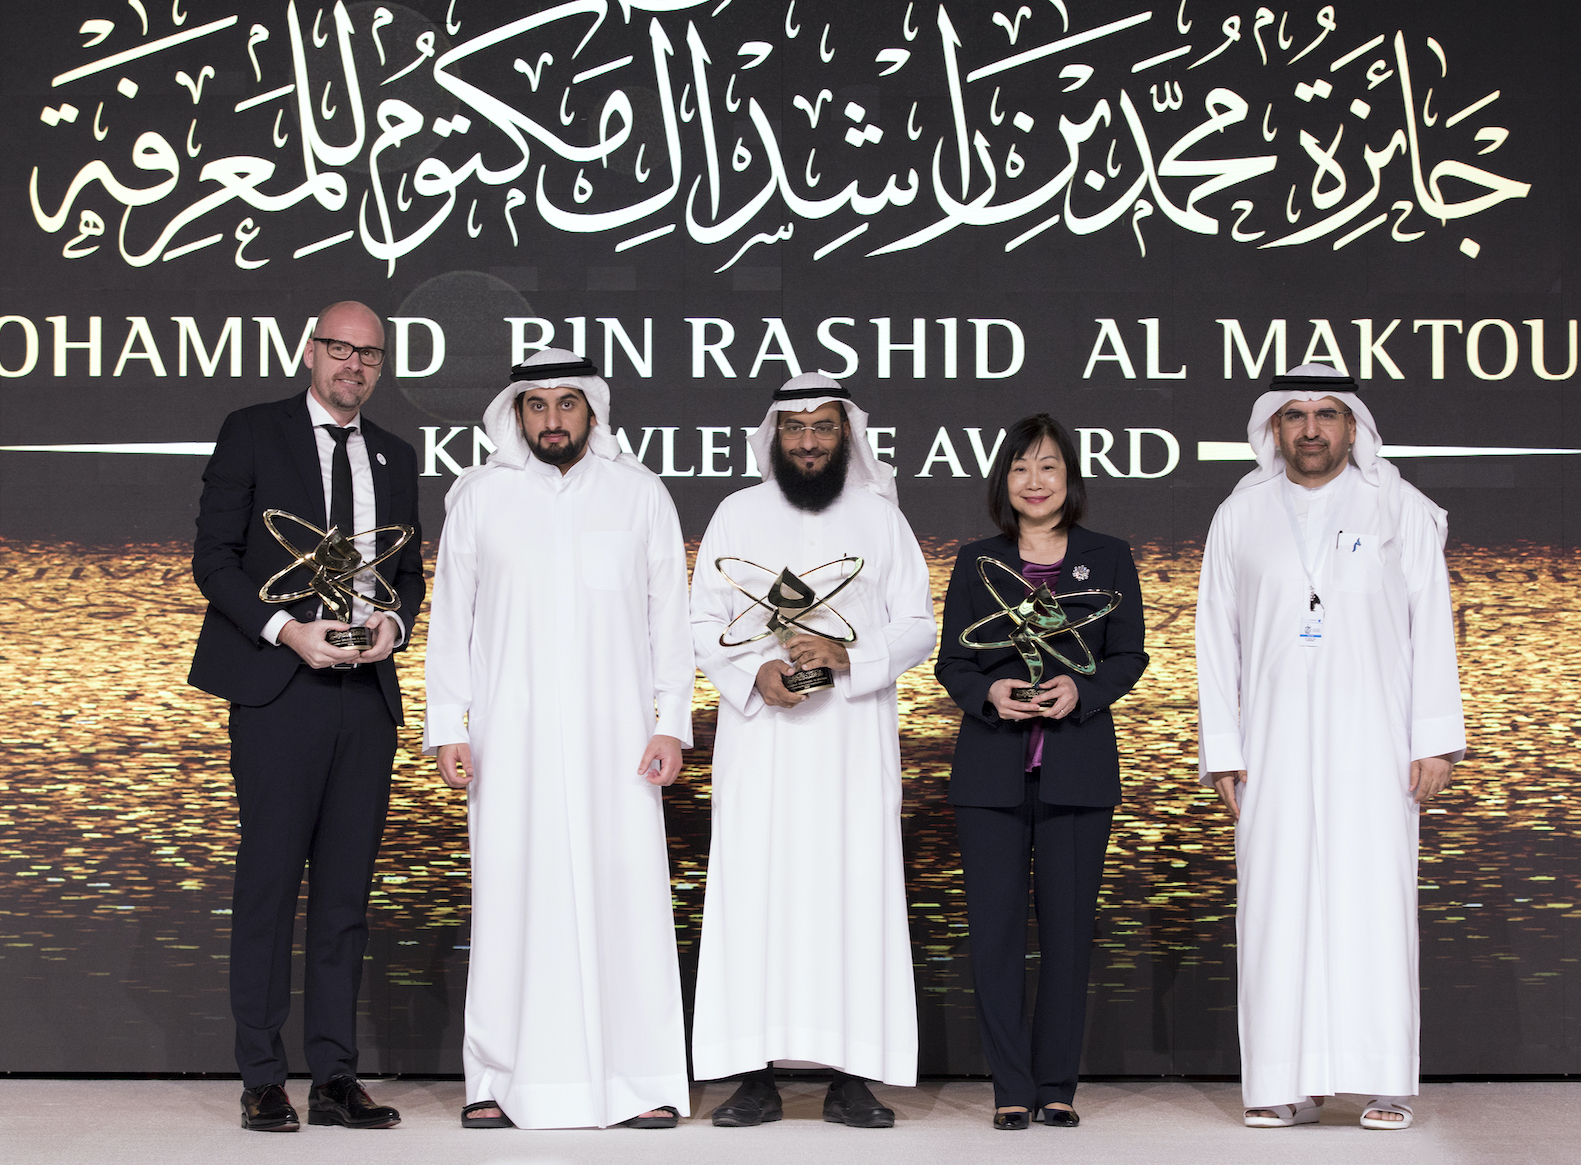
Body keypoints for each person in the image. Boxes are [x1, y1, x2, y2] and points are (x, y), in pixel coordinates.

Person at [422, 349, 695, 1131]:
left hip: (620, 741)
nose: (552, 419)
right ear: (517, 413)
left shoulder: (640, 494)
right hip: (509, 741)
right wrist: (449, 726)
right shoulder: (479, 497)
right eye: (536, 405)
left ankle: (640, 1079)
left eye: (566, 403)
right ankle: (498, 1079)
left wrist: (670, 722)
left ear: (591, 410)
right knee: (511, 900)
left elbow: (669, 619)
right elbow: (451, 622)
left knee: (626, 900)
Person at [1194, 366, 1465, 1131]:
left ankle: (1382, 1082)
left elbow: (1432, 623)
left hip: (1375, 744)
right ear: (1273, 427)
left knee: (1371, 902)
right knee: (1276, 907)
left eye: (1326, 414)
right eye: (1295, 414)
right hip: (1271, 746)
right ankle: (1284, 1082)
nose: (1310, 428)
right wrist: (1223, 748)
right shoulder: (1239, 515)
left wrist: (1435, 739)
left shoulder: (1398, 507)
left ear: (1353, 427)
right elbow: (1215, 637)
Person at [188, 300, 424, 1132]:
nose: (354, 364)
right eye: (339, 348)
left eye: (370, 354)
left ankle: (334, 1076)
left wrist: (393, 625)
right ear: (310, 351)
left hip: (365, 699)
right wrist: (287, 630)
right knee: (268, 885)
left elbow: (408, 572)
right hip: (279, 690)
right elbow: (212, 558)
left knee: (345, 896)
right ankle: (262, 1076)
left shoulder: (396, 453)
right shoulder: (253, 431)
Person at [689, 373, 937, 1129]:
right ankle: (752, 1074)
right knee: (754, 896)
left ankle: (853, 1075)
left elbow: (918, 624)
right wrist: (751, 673)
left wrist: (847, 656)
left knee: (852, 896)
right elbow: (699, 620)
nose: (807, 441)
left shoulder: (880, 517)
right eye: (794, 428)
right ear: (774, 436)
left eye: (822, 426)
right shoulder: (736, 514)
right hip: (761, 745)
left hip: (850, 747)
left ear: (845, 435)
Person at [934, 413, 1147, 1130]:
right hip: (990, 774)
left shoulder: (1108, 557)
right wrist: (987, 693)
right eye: (1021, 467)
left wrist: (1083, 690)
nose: (1034, 481)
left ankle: (1057, 1084)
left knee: (1067, 934)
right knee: (994, 935)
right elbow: (952, 662)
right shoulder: (976, 561)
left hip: (1077, 771)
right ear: (1005, 481)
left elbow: (1129, 654)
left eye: (1048, 465)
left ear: (1069, 477)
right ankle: (1010, 1086)